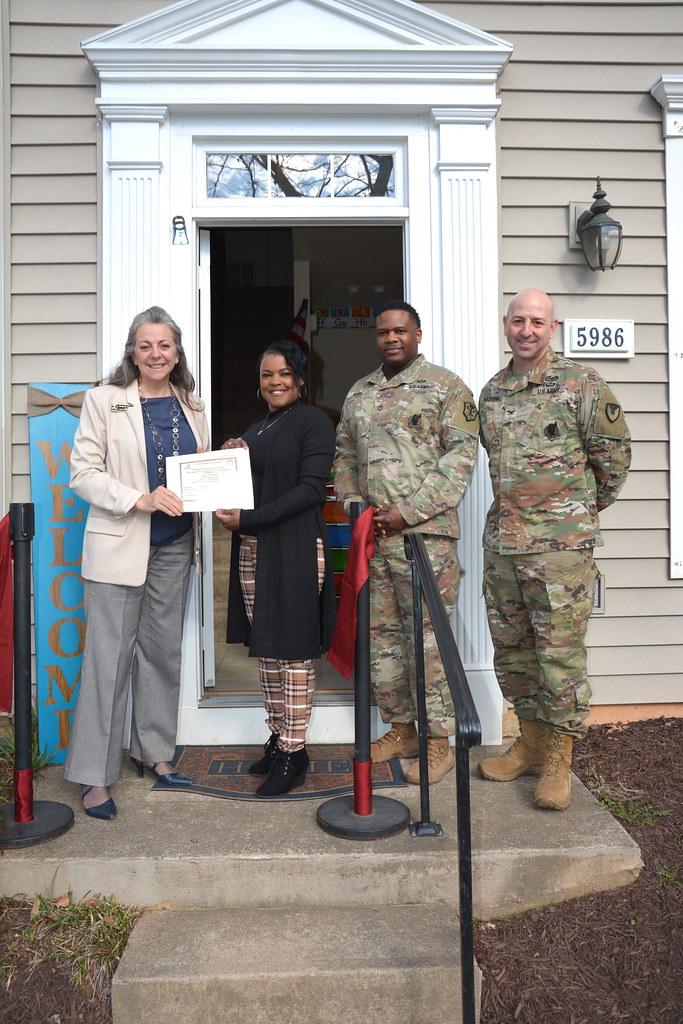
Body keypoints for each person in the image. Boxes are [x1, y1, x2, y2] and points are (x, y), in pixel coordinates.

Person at [477, 289, 631, 810]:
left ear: (552, 327)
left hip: (561, 552)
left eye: (536, 322)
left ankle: (561, 758)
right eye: (518, 321)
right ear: (505, 325)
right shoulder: (492, 393)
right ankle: (532, 743)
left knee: (560, 657)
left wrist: (576, 517)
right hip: (503, 548)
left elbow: (613, 461)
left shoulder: (582, 385)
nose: (526, 330)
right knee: (514, 653)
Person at [64, 306, 210, 819]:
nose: (155, 354)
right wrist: (138, 499)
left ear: (177, 352)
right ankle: (95, 777)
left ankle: (155, 755)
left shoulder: (192, 404)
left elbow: (197, 473)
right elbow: (82, 474)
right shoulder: (103, 400)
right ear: (132, 350)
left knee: (162, 656)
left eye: (164, 345)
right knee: (108, 662)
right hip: (119, 546)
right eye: (145, 345)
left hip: (175, 547)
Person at [334, 299, 479, 784]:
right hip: (375, 540)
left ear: (418, 334)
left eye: (400, 331)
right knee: (384, 639)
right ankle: (403, 728)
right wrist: (356, 506)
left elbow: (460, 457)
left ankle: (440, 740)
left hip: (424, 540)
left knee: (428, 640)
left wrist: (407, 512)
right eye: (382, 332)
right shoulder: (360, 393)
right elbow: (345, 456)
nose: (391, 338)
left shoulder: (445, 387)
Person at [217, 340, 337, 797]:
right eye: (267, 375)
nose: (275, 382)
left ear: (300, 380)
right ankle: (278, 737)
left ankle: (293, 750)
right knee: (268, 650)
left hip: (296, 548)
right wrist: (230, 458)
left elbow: (310, 490)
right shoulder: (258, 427)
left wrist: (248, 518)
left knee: (292, 653)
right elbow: (245, 481)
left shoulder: (313, 423)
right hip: (254, 549)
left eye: (284, 373)